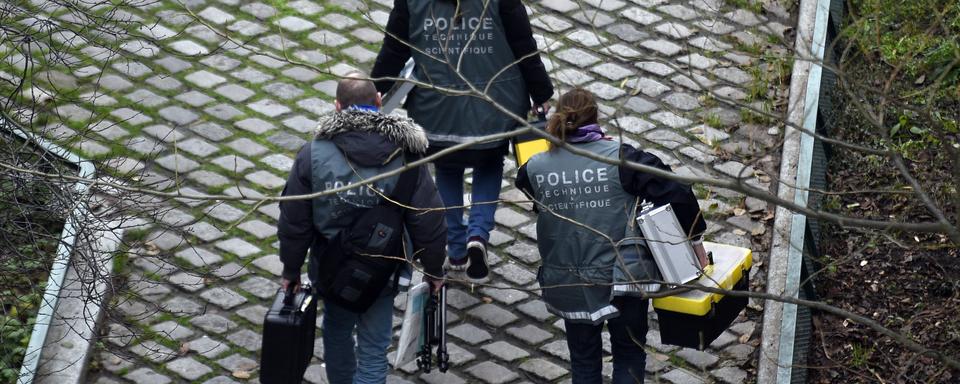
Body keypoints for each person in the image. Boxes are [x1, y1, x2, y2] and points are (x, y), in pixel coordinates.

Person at [515, 88, 708, 384]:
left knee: (583, 362)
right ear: (596, 117)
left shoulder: (535, 168)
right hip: (624, 277)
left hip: (569, 280)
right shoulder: (622, 159)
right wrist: (695, 242)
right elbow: (678, 191)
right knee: (629, 355)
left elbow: (527, 187)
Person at [276, 72, 447, 384]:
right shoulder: (407, 156)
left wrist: (291, 270)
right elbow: (428, 219)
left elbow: (294, 222)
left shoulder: (312, 154)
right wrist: (435, 270)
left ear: (338, 106)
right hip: (383, 271)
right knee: (373, 349)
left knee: (337, 332)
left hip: (330, 268)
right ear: (379, 102)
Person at [371, 0, 554, 282]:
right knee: (490, 164)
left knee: (446, 169)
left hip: (436, 107)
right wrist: (541, 91)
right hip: (493, 104)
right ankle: (478, 234)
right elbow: (523, 46)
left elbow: (394, 49)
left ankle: (455, 250)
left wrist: (374, 92)